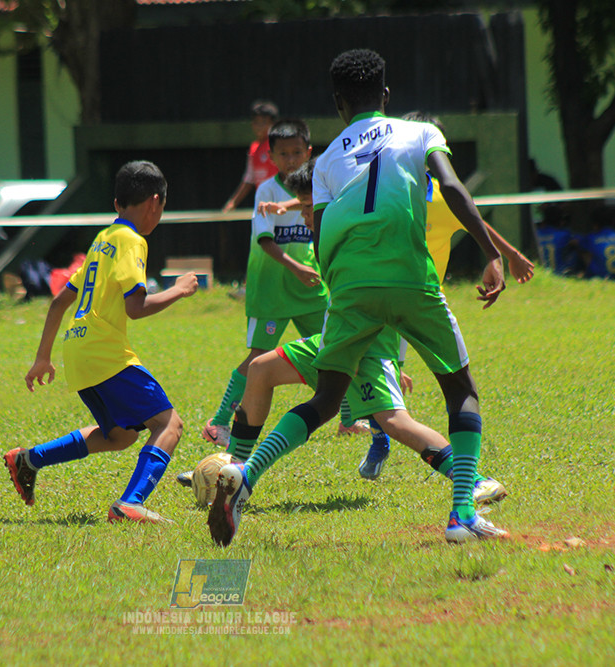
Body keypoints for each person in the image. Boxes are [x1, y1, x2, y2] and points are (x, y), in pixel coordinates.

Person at [209, 49, 509, 547]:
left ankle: (246, 474)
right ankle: (461, 515)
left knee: (326, 398)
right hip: (412, 282)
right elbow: (452, 187)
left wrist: (345, 288)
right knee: (461, 389)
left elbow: (322, 235)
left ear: (339, 104)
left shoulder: (325, 161)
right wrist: (490, 251)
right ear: (386, 96)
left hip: (348, 290)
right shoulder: (420, 133)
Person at [202, 144, 531, 502]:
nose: (306, 217)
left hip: (365, 344)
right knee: (261, 370)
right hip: (337, 339)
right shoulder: (329, 228)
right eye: (304, 209)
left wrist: (390, 356)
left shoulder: (351, 231)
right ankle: (234, 469)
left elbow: (386, 294)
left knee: (394, 422)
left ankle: (473, 479)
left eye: (310, 209)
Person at [3, 161, 199, 525]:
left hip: (78, 349)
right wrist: (178, 290)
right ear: (155, 202)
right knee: (169, 424)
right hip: (104, 351)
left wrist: (42, 357)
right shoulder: (131, 241)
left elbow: (60, 300)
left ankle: (28, 459)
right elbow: (136, 307)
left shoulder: (102, 240)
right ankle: (131, 503)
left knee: (120, 436)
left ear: (116, 204)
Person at [203, 120, 364, 450]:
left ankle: (348, 419)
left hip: (309, 289)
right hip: (271, 290)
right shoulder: (266, 191)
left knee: (335, 346)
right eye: (283, 154)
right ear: (271, 156)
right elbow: (264, 241)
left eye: (296, 152)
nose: (291, 160)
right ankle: (219, 422)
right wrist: (296, 267)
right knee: (258, 356)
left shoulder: (318, 183)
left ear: (308, 152)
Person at [222, 100, 279, 213]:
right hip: (262, 206)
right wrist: (233, 202)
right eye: (256, 122)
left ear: (273, 124)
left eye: (263, 122)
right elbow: (249, 179)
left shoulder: (277, 145)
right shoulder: (254, 148)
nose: (259, 126)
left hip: (279, 205)